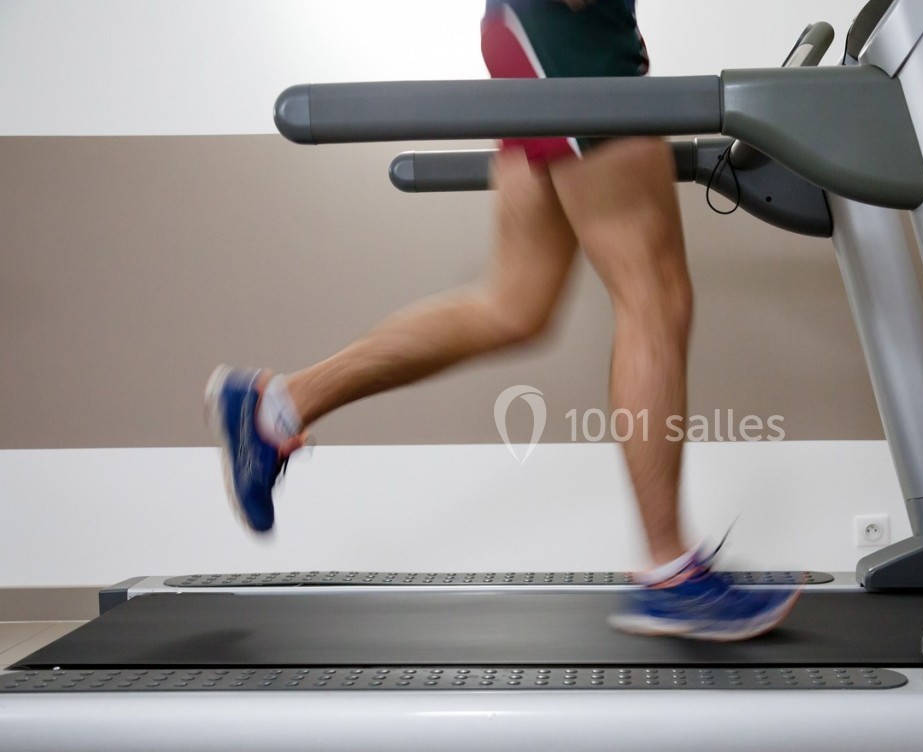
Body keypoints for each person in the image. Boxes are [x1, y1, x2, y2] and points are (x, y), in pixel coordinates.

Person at [205, 0, 799, 641]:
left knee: (515, 304)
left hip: (534, 33)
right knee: (654, 298)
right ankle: (670, 572)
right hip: (569, 26)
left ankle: (277, 406)